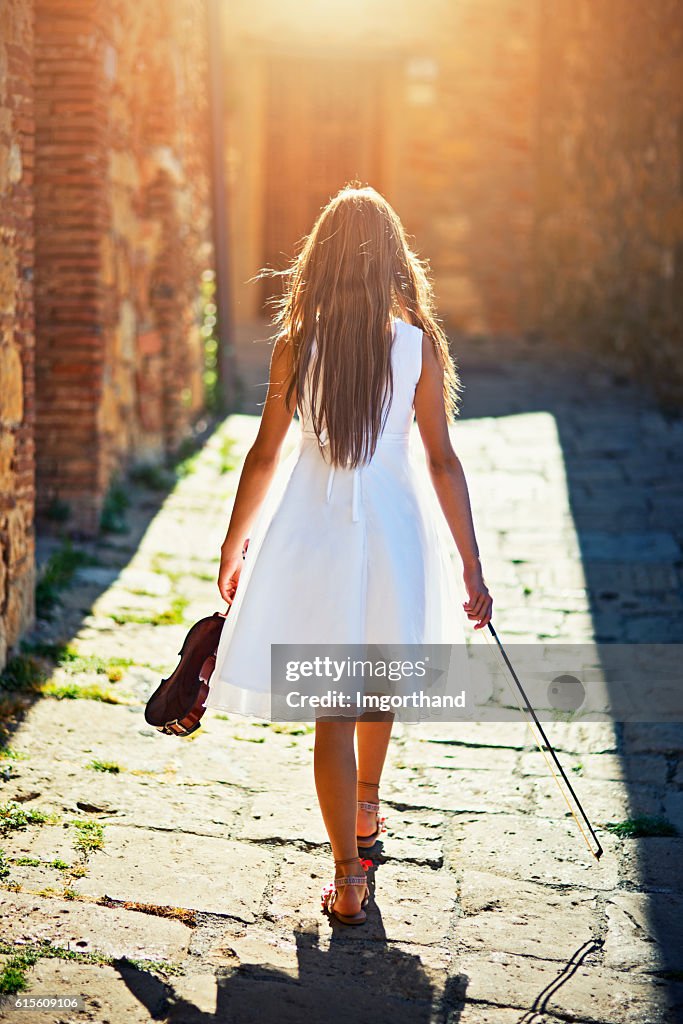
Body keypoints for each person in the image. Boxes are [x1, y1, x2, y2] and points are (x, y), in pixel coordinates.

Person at [203, 183, 492, 926]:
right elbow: (440, 461)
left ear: (320, 258)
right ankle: (364, 808)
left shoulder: (296, 342)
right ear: (394, 258)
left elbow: (266, 453)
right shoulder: (417, 344)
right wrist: (470, 564)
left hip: (314, 532)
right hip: (393, 528)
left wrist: (234, 541)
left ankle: (347, 876)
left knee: (332, 709)